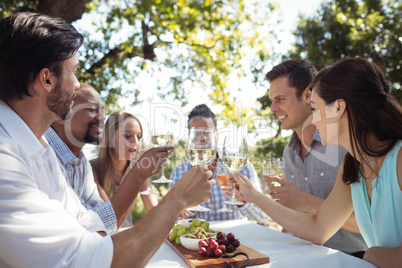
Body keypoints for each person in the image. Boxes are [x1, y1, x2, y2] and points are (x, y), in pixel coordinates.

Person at [0, 12, 214, 267]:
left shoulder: (41, 151)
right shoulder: (5, 158)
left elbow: (88, 225)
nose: (77, 84)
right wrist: (176, 199)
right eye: (74, 71)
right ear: (47, 79)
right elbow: (88, 260)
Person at [233, 57, 402, 268]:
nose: (312, 120)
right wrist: (254, 196)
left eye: (315, 109)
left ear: (338, 108)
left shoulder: (399, 159)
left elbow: (376, 254)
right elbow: (318, 229)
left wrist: (373, 256)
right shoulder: (352, 167)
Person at [262, 59, 367, 255]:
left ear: (307, 95)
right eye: (272, 100)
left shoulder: (345, 146)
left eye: (280, 99)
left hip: (353, 257)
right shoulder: (288, 154)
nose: (273, 108)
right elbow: (297, 219)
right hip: (305, 254)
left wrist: (306, 202)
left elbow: (370, 224)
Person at [46, 84, 159, 233]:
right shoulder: (44, 156)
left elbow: (101, 221)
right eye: (92, 109)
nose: (102, 117)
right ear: (62, 114)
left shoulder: (80, 164)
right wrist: (136, 175)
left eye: (102, 111)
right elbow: (94, 228)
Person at [169, 104, 271, 224]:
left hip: (236, 239)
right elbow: (173, 221)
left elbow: (263, 217)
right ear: (189, 138)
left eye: (207, 132)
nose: (202, 138)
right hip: (199, 240)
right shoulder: (178, 173)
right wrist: (181, 212)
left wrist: (242, 202)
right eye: (196, 133)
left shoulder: (241, 165)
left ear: (216, 135)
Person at [90, 109, 160, 228]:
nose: (136, 142)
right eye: (127, 136)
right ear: (110, 138)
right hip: (105, 239)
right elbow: (110, 219)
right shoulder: (92, 168)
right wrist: (132, 175)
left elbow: (155, 212)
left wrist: (173, 208)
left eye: (139, 137)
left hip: (126, 236)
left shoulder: (138, 169)